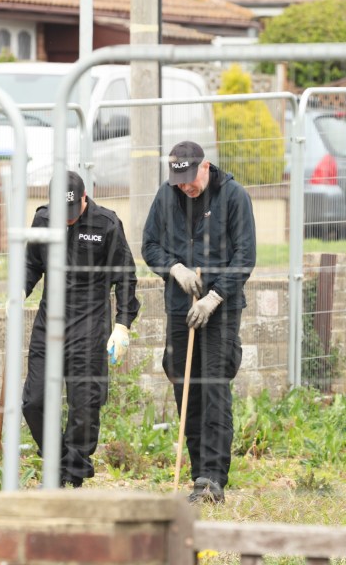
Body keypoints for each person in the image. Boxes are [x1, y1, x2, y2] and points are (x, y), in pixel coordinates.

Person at [142, 141, 256, 505]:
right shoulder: (166, 197)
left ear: (206, 167)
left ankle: (213, 478)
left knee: (213, 389)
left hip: (219, 310)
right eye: (179, 181)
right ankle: (197, 474)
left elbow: (245, 255)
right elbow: (150, 246)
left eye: (190, 179)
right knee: (185, 389)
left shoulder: (234, 196)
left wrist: (214, 296)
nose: (185, 187)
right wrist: (173, 268)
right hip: (180, 307)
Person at [22, 171, 140, 488]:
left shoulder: (107, 224)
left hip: (90, 327)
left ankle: (68, 478)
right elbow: (31, 265)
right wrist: (17, 292)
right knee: (33, 402)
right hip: (50, 324)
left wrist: (122, 325)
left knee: (84, 408)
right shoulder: (43, 221)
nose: (67, 221)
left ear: (84, 198)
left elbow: (125, 276)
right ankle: (62, 462)